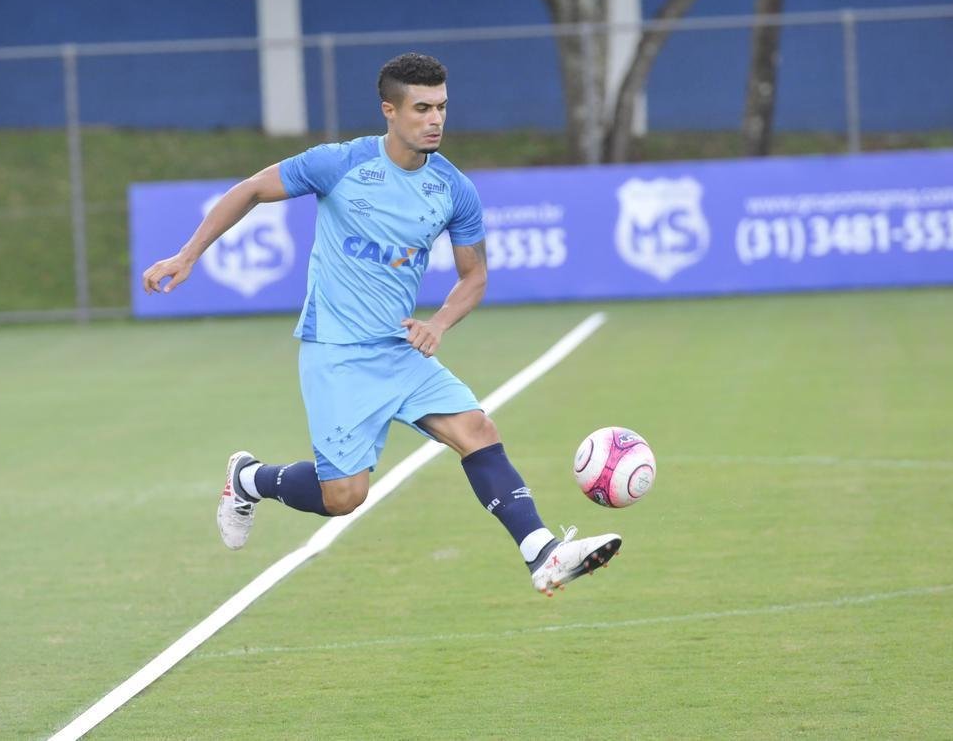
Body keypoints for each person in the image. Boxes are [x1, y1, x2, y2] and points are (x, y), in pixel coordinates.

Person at [142, 52, 620, 596]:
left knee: (478, 431)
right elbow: (251, 189)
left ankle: (542, 553)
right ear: (389, 110)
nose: (435, 119)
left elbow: (474, 276)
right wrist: (187, 255)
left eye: (441, 107)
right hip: (337, 353)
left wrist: (440, 324)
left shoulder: (454, 189)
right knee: (344, 497)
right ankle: (248, 478)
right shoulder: (339, 163)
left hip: (401, 349)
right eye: (422, 108)